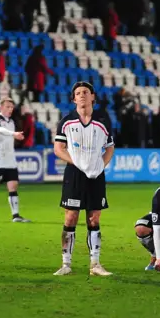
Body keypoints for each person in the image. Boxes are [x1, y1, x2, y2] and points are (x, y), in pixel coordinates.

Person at [52, 81, 115, 276]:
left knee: (94, 218)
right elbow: (58, 149)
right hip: (74, 174)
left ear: (92, 97)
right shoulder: (66, 121)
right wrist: (77, 162)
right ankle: (66, 264)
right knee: (71, 217)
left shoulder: (103, 121)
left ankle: (95, 264)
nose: (82, 95)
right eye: (78, 93)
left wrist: (100, 165)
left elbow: (110, 147)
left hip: (96, 175)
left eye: (85, 92)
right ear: (73, 99)